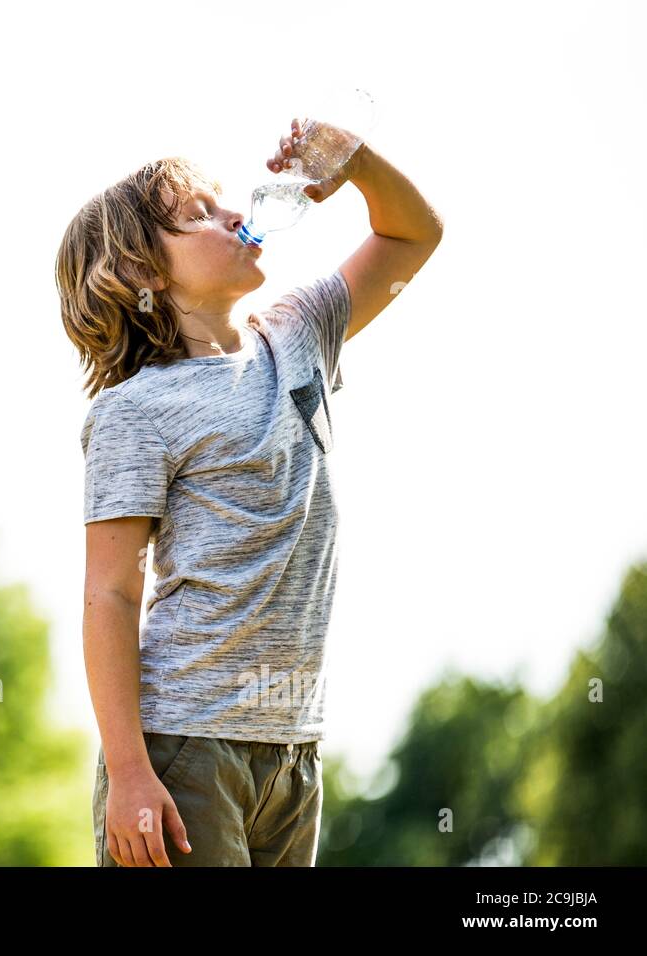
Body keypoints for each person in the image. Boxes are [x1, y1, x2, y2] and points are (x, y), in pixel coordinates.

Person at [55, 118, 443, 866]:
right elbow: (109, 594)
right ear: (142, 273)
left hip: (294, 748)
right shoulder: (135, 411)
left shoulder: (298, 333)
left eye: (222, 201)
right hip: (183, 748)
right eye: (197, 214)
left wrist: (355, 164)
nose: (234, 214)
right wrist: (130, 773)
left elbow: (413, 235)